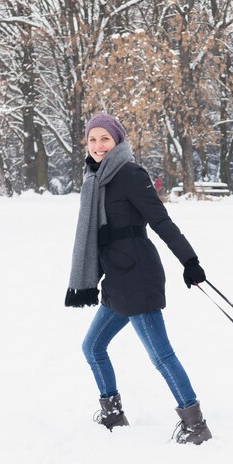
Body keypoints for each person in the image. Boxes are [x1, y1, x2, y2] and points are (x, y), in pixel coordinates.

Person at [65, 113, 211, 445]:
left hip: (137, 275)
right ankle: (113, 414)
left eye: (105, 139)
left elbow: (161, 220)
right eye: (92, 139)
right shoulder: (96, 180)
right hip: (115, 278)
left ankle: (195, 425)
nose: (99, 145)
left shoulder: (130, 174)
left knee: (161, 355)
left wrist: (189, 260)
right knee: (93, 346)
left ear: (117, 141)